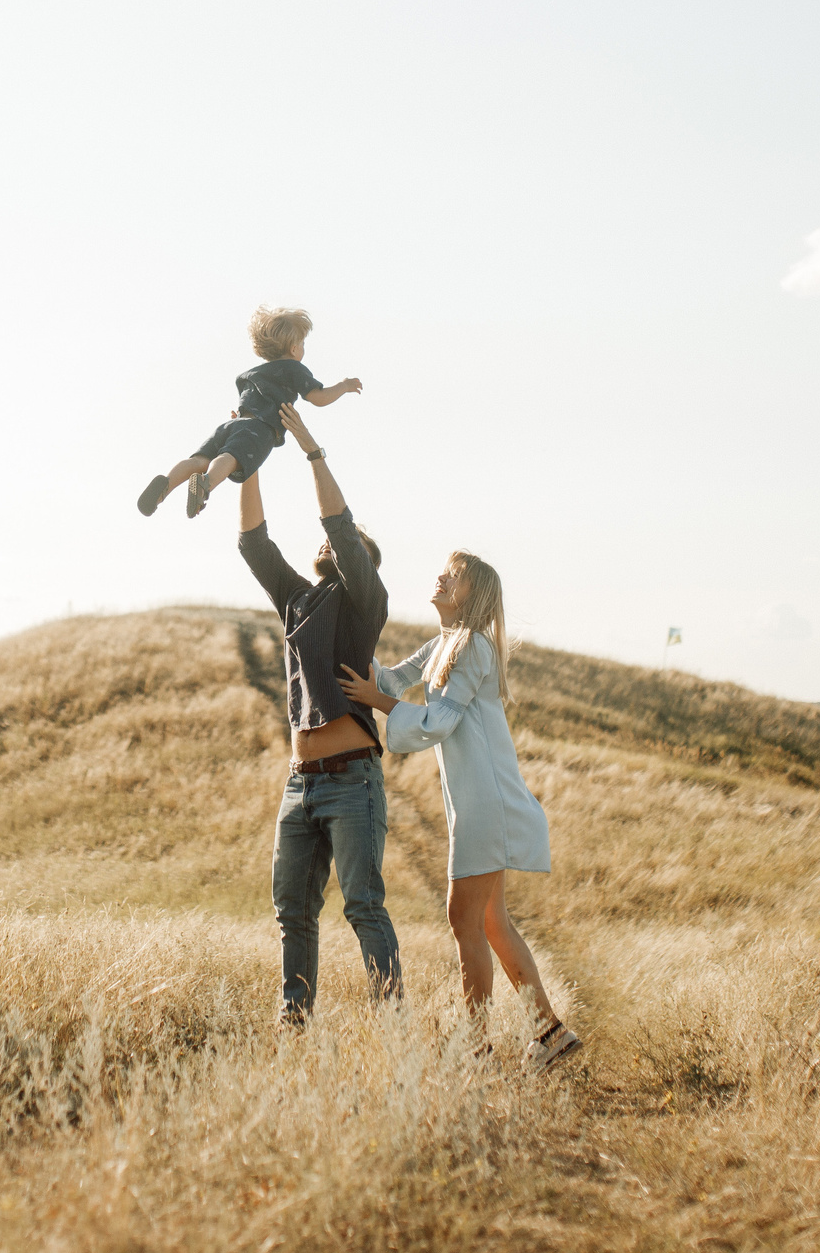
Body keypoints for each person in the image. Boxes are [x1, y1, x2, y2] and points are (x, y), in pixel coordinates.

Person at [339, 552, 582, 1069]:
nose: (442, 576)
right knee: (491, 921)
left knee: (463, 918)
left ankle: (476, 1047)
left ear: (473, 594)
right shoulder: (443, 644)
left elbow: (440, 719)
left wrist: (377, 703)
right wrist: (348, 641)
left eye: (456, 575)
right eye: (445, 569)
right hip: (478, 803)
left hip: (486, 804)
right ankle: (550, 1034)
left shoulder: (472, 646)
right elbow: (388, 678)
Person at [236, 401, 397, 1023]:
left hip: (353, 780)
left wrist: (309, 447)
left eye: (345, 543)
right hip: (300, 785)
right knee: (293, 912)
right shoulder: (297, 599)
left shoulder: (365, 599)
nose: (328, 541)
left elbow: (339, 519)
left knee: (363, 907)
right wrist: (248, 463)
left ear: (359, 556)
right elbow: (254, 543)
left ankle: (392, 1025)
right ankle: (294, 1023)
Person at [138, 306, 362, 520]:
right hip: (259, 428)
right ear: (293, 348)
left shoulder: (252, 374)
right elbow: (318, 397)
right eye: (302, 343)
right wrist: (343, 386)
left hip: (231, 424)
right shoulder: (294, 369)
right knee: (229, 458)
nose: (303, 348)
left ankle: (165, 484)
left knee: (198, 459)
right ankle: (206, 483)